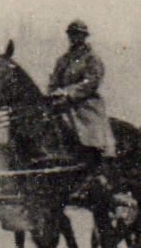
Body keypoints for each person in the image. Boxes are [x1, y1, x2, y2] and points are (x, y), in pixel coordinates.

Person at [48, 19, 116, 161]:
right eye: (72, 34)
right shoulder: (63, 60)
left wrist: (68, 93)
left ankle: (95, 158)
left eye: (78, 34)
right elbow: (54, 80)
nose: (74, 38)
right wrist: (54, 92)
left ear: (84, 37)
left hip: (84, 102)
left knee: (89, 128)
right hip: (61, 102)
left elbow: (91, 82)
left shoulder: (92, 59)